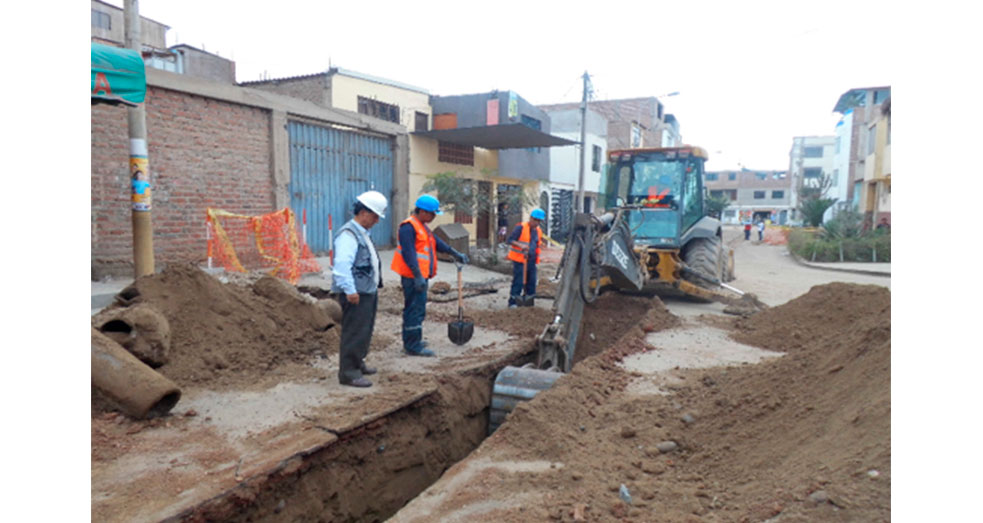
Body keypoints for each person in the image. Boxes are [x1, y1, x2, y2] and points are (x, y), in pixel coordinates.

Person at [391, 194, 470, 357]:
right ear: (423, 212)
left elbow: (436, 242)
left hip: (420, 275)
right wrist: (418, 275)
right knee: (415, 309)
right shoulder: (408, 227)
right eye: (432, 214)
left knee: (417, 308)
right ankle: (413, 346)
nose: (434, 217)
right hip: (413, 276)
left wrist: (454, 253)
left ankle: (412, 340)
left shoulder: (422, 226)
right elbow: (409, 253)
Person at [331, 190, 388, 388]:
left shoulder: (362, 233)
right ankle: (348, 373)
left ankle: (358, 363)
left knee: (364, 330)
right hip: (356, 293)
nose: (376, 221)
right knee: (354, 332)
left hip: (367, 290)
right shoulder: (348, 235)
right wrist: (350, 290)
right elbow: (341, 266)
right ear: (364, 212)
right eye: (374, 216)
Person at [507, 208, 546, 308]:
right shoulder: (520, 227)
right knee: (518, 282)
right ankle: (513, 302)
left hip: (532, 261)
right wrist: (521, 246)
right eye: (535, 220)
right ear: (531, 218)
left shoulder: (538, 231)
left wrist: (540, 245)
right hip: (520, 260)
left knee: (531, 282)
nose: (537, 223)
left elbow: (536, 242)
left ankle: (529, 302)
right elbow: (510, 240)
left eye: (539, 221)